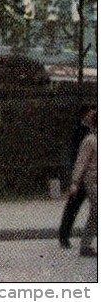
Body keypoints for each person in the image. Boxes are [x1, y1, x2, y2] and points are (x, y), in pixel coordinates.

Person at [60, 105, 96, 249]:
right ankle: (64, 235)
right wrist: (75, 179)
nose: (92, 116)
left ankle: (85, 243)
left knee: (95, 211)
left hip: (92, 177)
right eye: (91, 114)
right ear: (85, 115)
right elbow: (77, 156)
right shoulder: (80, 132)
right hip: (84, 176)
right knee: (73, 207)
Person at [70, 109, 97, 258]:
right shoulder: (90, 140)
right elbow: (81, 162)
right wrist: (75, 182)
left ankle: (85, 246)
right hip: (93, 181)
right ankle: (85, 245)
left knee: (96, 214)